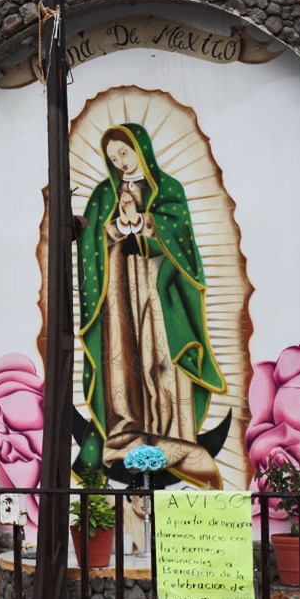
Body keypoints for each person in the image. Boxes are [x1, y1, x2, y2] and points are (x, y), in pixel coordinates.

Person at [76, 123, 226, 489]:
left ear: (140, 149)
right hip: (118, 290)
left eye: (124, 153)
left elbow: (181, 237)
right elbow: (91, 239)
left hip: (159, 286)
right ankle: (125, 430)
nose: (120, 163)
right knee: (121, 360)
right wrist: (109, 231)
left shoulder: (168, 189)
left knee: (160, 356)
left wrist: (146, 223)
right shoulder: (103, 193)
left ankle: (170, 433)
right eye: (113, 158)